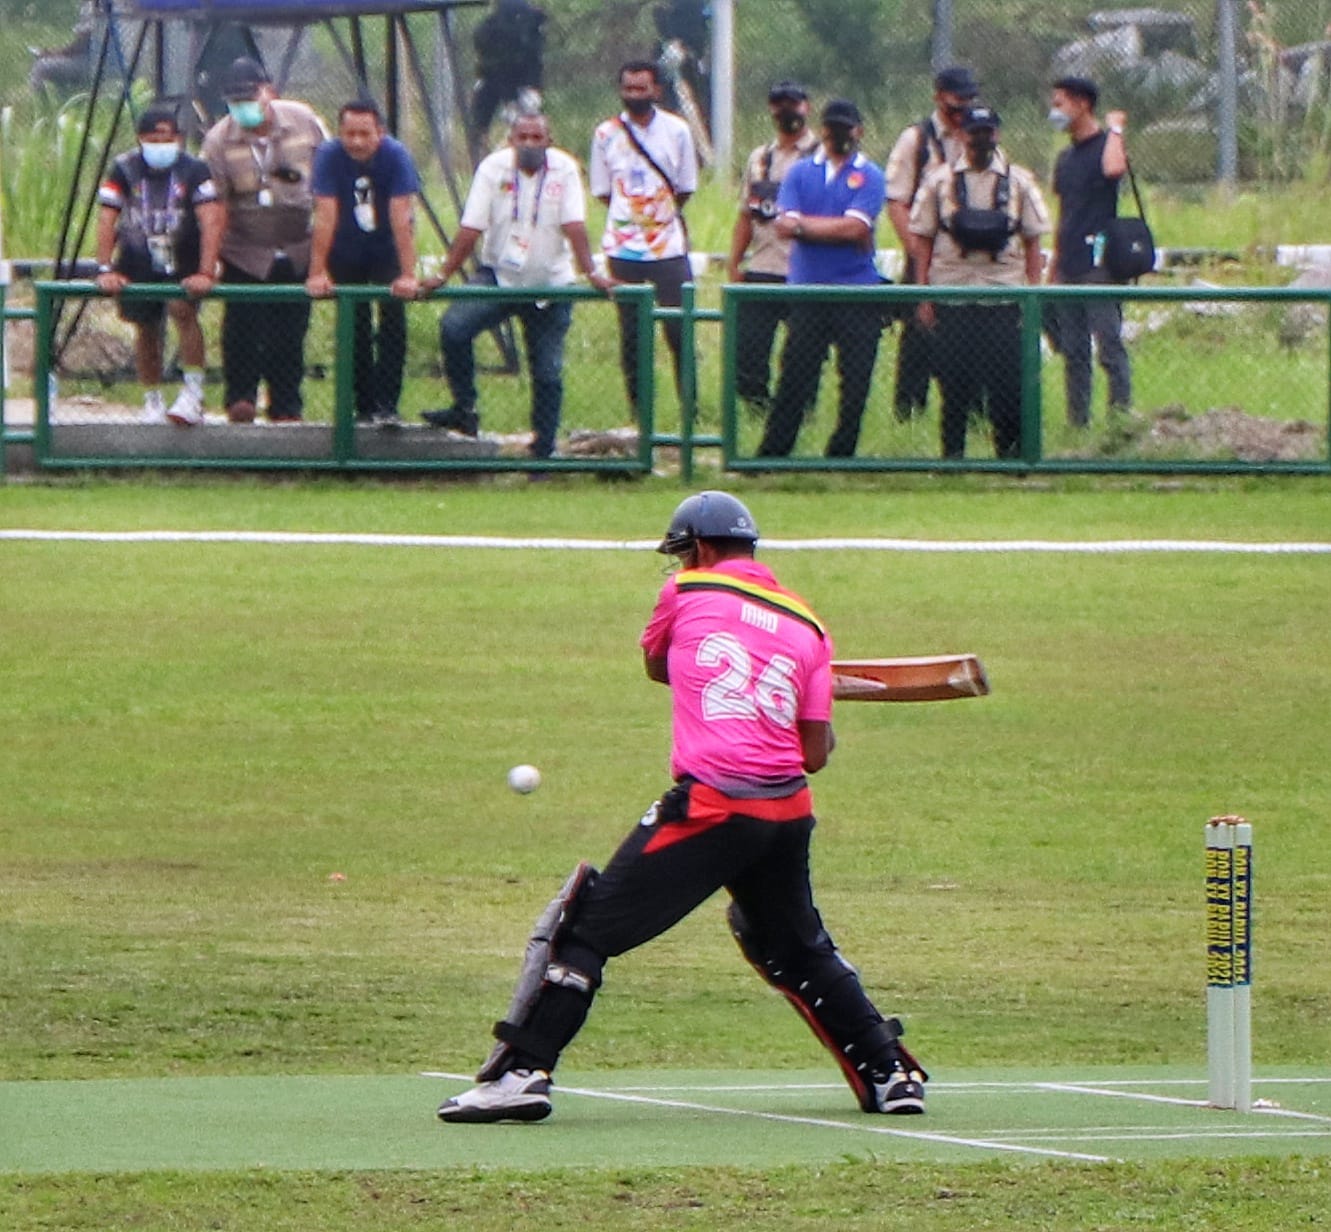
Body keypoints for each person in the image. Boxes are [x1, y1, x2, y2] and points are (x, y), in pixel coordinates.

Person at [437, 490, 928, 1125]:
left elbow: (657, 665)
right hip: (786, 814)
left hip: (714, 806)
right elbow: (814, 753)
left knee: (580, 929)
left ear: (696, 549)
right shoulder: (808, 627)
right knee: (796, 947)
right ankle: (891, 1073)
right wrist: (806, 699)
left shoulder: (685, 591)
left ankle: (520, 1074)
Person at [420, 113, 616, 459]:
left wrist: (591, 271)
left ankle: (543, 451)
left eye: (536, 137)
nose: (528, 144)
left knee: (547, 370)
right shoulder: (493, 168)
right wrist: (443, 274)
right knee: (454, 327)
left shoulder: (565, 169)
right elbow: (471, 227)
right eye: (521, 137)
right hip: (499, 276)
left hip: (551, 283)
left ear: (549, 141)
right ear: (511, 140)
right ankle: (465, 409)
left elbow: (574, 225)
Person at [910, 105, 1050, 460]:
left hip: (1004, 297)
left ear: (997, 134)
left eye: (988, 132)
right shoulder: (939, 181)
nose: (981, 139)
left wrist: (1033, 294)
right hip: (952, 296)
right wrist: (923, 294)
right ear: (961, 136)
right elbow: (922, 239)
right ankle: (952, 459)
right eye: (974, 132)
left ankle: (1011, 459)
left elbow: (1034, 240)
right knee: (953, 386)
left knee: (1007, 387)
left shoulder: (1019, 181)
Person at [756, 98, 886, 459]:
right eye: (833, 127)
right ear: (823, 130)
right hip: (808, 290)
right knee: (794, 376)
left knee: (855, 380)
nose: (840, 135)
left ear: (859, 131)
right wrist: (834, 227)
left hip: (856, 292)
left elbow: (856, 228)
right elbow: (784, 225)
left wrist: (805, 226)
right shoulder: (800, 172)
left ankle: (841, 455)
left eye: (847, 128)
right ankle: (773, 454)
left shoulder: (871, 174)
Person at [201, 57, 328, 422]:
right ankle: (240, 398)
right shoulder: (217, 141)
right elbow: (216, 208)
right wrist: (210, 265)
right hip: (245, 248)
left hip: (297, 245)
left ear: (268, 92)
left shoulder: (305, 121)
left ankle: (286, 405)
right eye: (235, 101)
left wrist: (321, 261)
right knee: (241, 327)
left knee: (289, 332)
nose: (243, 106)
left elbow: (327, 188)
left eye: (249, 98)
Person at [94, 103, 223, 426]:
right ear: (140, 139)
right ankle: (152, 398)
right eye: (152, 139)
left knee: (182, 310)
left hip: (183, 255)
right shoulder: (124, 168)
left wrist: (206, 270)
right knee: (145, 326)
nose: (160, 145)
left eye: (167, 138)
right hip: (138, 256)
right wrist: (105, 268)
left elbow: (211, 220)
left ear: (178, 138)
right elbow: (107, 219)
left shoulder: (195, 169)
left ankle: (193, 392)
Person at [590, 60, 698, 423]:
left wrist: (657, 216)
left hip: (669, 248)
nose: (634, 94)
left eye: (642, 88)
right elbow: (603, 191)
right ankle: (640, 416)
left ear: (657, 90)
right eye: (628, 88)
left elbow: (685, 186)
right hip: (624, 249)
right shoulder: (605, 134)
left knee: (679, 330)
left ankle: (690, 415)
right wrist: (632, 218)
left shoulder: (678, 130)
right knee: (633, 336)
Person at [306, 100, 421, 427]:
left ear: (379, 133)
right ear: (340, 132)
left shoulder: (396, 156)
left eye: (364, 134)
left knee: (392, 321)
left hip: (385, 248)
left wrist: (408, 274)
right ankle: (363, 406)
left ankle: (388, 404)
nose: (356, 142)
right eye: (350, 134)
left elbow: (402, 217)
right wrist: (317, 271)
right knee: (354, 324)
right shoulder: (329, 156)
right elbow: (325, 214)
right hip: (346, 247)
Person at [883, 65, 978, 420]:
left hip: (968, 258)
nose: (962, 110)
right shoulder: (916, 141)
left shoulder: (978, 135)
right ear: (938, 97)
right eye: (955, 102)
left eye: (968, 101)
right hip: (925, 254)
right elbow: (896, 201)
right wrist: (917, 251)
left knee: (970, 338)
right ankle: (909, 414)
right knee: (919, 337)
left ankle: (971, 412)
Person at [725, 81, 818, 416]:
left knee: (802, 354)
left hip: (806, 271)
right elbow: (745, 216)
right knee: (748, 352)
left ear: (806, 107)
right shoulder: (760, 158)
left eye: (793, 103)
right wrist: (734, 262)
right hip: (763, 267)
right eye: (779, 104)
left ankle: (798, 415)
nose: (786, 110)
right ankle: (757, 413)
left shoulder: (822, 156)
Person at [1048, 75, 1133, 427]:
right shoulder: (1065, 158)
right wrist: (1054, 265)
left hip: (1099, 263)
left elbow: (1114, 169)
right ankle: (1077, 422)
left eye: (1060, 103)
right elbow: (1064, 213)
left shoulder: (1107, 146)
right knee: (1073, 350)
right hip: (1068, 263)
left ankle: (1120, 420)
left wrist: (1116, 129)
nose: (1054, 111)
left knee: (1109, 345)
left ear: (1082, 104)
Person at [470, 0, 547, 158]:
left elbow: (534, 61)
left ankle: (515, 154)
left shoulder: (530, 27)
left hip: (523, 82)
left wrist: (532, 87)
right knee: (481, 122)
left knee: (527, 117)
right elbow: (492, 62)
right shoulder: (490, 30)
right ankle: (486, 156)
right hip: (494, 78)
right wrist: (509, 98)